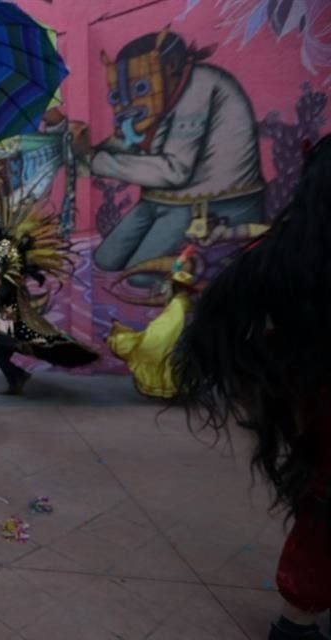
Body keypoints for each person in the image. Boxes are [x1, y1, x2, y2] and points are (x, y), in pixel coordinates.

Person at [173, 135, 331, 640]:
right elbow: (219, 322)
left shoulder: (289, 256)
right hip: (322, 410)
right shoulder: (290, 259)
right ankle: (297, 620)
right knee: (322, 509)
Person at [0, 206, 98, 394]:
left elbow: (8, 282)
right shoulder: (8, 247)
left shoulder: (6, 249)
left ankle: (19, 358)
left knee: (1, 344)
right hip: (13, 304)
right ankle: (18, 376)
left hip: (10, 306)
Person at [108, 246, 196, 399]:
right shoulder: (181, 300)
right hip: (176, 337)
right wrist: (183, 256)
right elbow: (175, 269)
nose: (165, 286)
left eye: (170, 284)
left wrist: (152, 336)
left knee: (156, 354)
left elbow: (170, 327)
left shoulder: (179, 304)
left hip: (173, 339)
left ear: (176, 286)